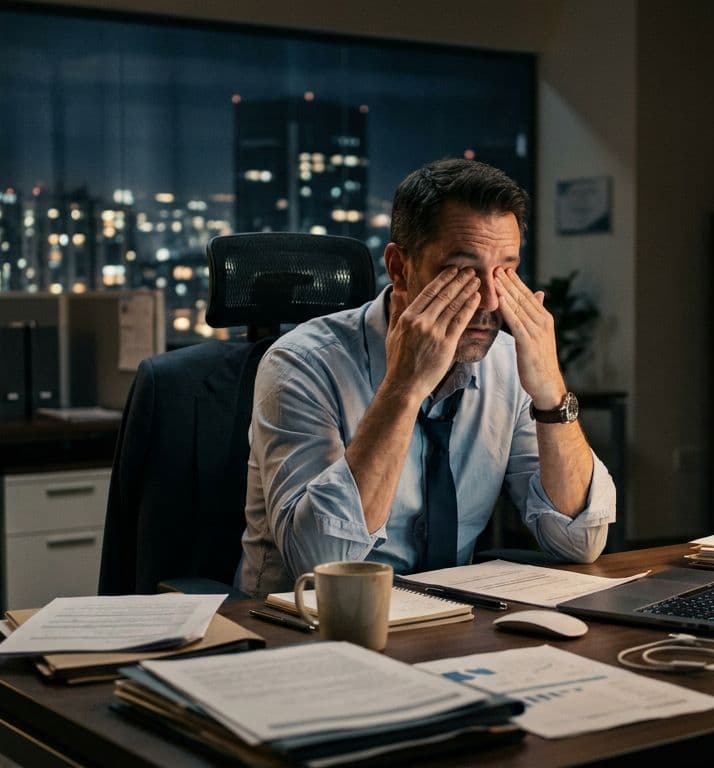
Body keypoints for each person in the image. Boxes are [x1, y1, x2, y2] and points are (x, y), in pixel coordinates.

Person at [237, 158, 615, 596]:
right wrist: (404, 387)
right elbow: (321, 562)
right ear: (400, 268)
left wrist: (551, 393)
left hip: (446, 624)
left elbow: (580, 541)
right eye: (462, 270)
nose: (491, 300)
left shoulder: (507, 364)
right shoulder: (301, 364)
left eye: (506, 270)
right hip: (300, 629)